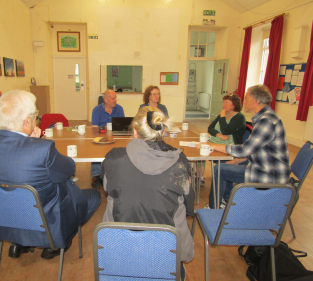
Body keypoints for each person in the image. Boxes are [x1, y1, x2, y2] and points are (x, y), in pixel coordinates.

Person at [0, 90, 101, 260]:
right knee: (93, 196)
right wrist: (36, 141)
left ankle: (21, 242)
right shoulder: (42, 148)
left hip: (1, 219)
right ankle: (56, 243)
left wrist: (29, 139)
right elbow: (69, 169)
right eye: (35, 117)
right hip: (45, 222)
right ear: (27, 122)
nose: (36, 121)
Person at [101, 106, 195, 279]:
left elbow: (107, 188)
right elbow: (189, 206)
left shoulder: (114, 158)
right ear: (163, 132)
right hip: (167, 253)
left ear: (135, 132)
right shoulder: (180, 161)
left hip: (120, 250)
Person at [199, 85, 290, 209]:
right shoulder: (266, 117)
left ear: (254, 101)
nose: (244, 101)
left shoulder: (266, 121)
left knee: (219, 169)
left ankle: (214, 207)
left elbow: (245, 149)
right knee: (226, 166)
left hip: (267, 176)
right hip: (264, 168)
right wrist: (239, 160)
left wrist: (211, 145)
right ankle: (224, 201)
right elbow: (257, 149)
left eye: (246, 98)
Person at [200, 94, 246, 188]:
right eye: (224, 102)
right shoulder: (223, 114)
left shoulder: (239, 118)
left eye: (227, 102)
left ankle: (224, 193)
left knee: (221, 166)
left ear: (234, 105)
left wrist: (222, 117)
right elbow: (210, 128)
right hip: (214, 143)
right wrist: (219, 135)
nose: (224, 105)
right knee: (199, 152)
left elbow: (226, 130)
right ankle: (199, 177)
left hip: (228, 148)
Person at [91, 89, 124, 187]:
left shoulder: (119, 109)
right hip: (100, 137)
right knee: (95, 150)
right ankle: (96, 175)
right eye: (113, 98)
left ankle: (115, 173)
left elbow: (122, 126)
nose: (115, 100)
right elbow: (94, 128)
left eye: (116, 98)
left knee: (119, 151)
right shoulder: (96, 110)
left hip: (115, 137)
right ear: (105, 100)